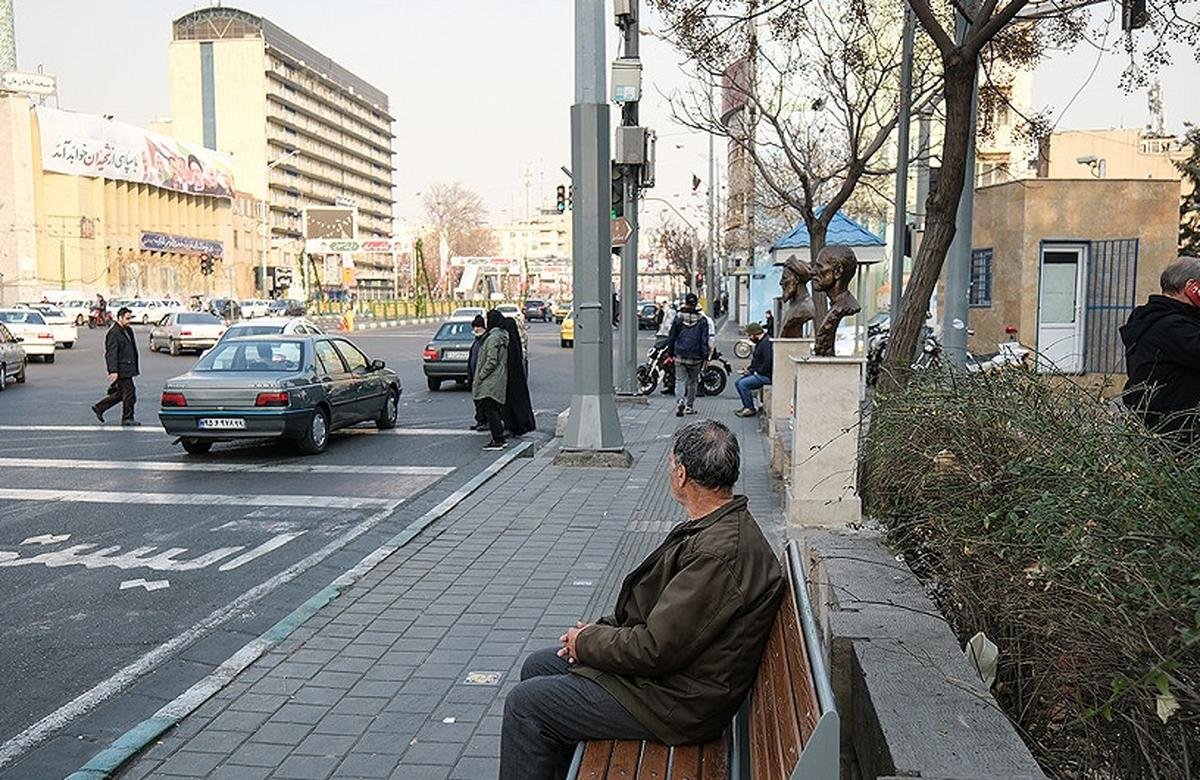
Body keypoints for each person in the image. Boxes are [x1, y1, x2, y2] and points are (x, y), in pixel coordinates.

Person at [500, 420, 785, 780]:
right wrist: (595, 635)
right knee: (539, 665)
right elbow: (665, 626)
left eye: (670, 465)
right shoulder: (720, 526)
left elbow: (655, 648)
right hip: (678, 682)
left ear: (681, 475)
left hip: (676, 703)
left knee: (527, 707)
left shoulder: (719, 552)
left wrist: (587, 641)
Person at [1120, 255, 1200, 440]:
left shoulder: (1155, 318)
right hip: (1175, 434)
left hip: (1168, 427)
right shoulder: (1171, 326)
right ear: (1192, 287)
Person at [90, 307, 140, 426]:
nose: (129, 321)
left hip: (128, 367)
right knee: (129, 393)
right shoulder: (113, 333)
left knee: (120, 394)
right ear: (120, 318)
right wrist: (113, 371)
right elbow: (111, 353)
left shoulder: (128, 330)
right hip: (122, 369)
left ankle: (99, 407)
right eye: (127, 318)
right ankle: (127, 418)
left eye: (130, 318)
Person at [473, 310, 510, 450]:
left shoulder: (493, 337)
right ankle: (498, 438)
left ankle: (498, 440)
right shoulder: (500, 335)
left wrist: (481, 375)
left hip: (490, 380)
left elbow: (491, 360)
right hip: (496, 378)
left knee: (490, 410)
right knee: (493, 409)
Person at [667, 292, 709, 417]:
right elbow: (704, 340)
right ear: (696, 304)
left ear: (685, 302)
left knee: (680, 380)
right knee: (693, 382)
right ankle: (689, 406)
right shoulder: (702, 320)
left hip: (680, 354)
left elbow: (672, 336)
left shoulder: (678, 317)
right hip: (696, 357)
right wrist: (705, 356)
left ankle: (680, 401)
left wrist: (670, 353)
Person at [499, 314, 536, 436]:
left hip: (510, 379)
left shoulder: (508, 343)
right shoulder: (516, 343)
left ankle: (513, 425)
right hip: (518, 379)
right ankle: (521, 424)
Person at [734, 322, 772, 418]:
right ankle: (746, 406)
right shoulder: (761, 342)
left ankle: (750, 408)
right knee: (738, 382)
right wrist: (749, 369)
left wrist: (757, 372)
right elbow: (757, 361)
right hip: (760, 373)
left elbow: (768, 361)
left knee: (743, 384)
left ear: (755, 334)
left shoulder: (765, 344)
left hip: (766, 376)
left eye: (750, 335)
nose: (749, 338)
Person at [467, 315, 488, 431]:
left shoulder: (486, 341)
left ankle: (485, 421)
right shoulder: (476, 341)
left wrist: (482, 375)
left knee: (483, 401)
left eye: (479, 326)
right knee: (477, 400)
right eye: (475, 326)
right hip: (475, 376)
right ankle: (480, 420)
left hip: (483, 377)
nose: (476, 329)